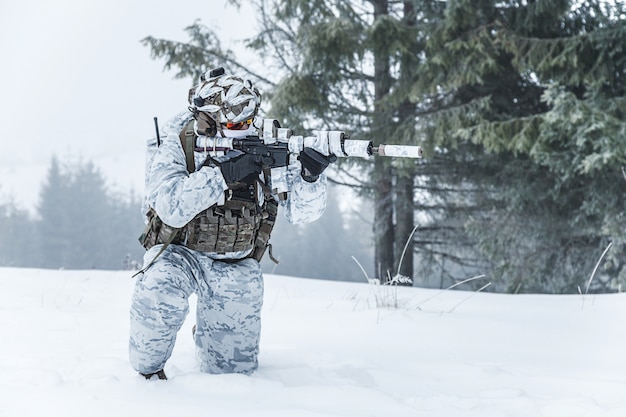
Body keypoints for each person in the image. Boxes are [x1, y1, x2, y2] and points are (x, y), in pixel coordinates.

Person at [129, 67, 333, 380]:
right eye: (237, 124)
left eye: (250, 121)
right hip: (179, 255)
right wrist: (225, 174)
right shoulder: (179, 144)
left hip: (235, 264)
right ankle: (149, 383)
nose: (247, 129)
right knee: (155, 305)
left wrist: (311, 177)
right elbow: (169, 205)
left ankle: (209, 328)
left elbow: (303, 213)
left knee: (232, 376)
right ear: (208, 121)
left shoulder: (268, 141)